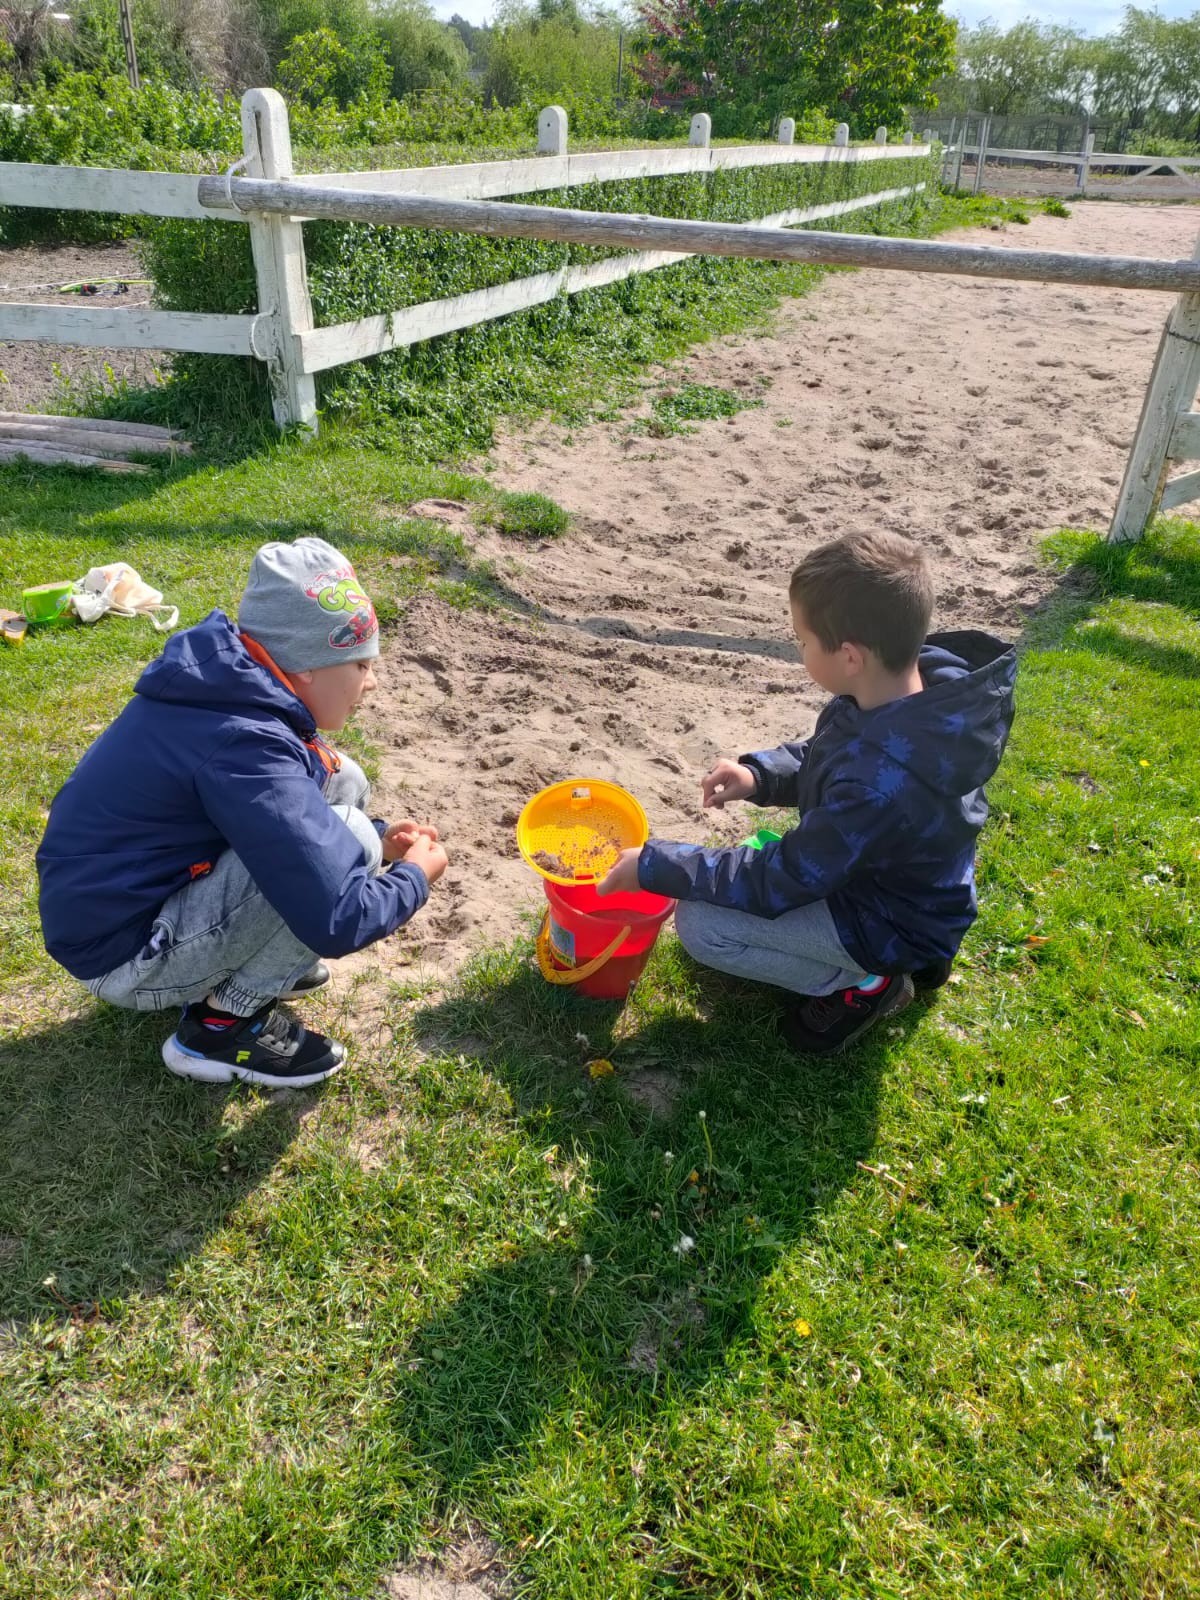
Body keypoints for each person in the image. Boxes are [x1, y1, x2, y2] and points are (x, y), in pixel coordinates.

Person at [37, 536, 448, 1089]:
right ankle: (220, 1026)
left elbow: (280, 817)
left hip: (132, 903)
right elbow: (339, 920)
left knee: (343, 781)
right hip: (123, 956)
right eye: (360, 664)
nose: (371, 682)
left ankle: (264, 962)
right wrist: (414, 876)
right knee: (348, 839)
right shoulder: (243, 744)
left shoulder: (232, 687)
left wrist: (379, 836)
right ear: (308, 666)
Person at [597, 531, 1016, 1054]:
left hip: (889, 918)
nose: (798, 649)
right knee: (737, 885)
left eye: (801, 640)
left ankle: (869, 984)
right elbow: (832, 757)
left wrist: (655, 865)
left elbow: (782, 879)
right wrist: (761, 776)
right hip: (922, 896)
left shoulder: (880, 783)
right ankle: (916, 955)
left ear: (849, 656)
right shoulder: (919, 698)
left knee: (701, 924)